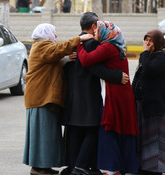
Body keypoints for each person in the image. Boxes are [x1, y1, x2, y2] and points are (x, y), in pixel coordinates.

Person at [60, 12, 128, 175]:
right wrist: (117, 76)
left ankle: (73, 166)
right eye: (98, 25)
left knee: (75, 130)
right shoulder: (90, 43)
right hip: (88, 96)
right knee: (93, 130)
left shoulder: (75, 41)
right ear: (92, 26)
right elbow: (93, 66)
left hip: (73, 96)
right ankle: (81, 166)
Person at [23, 23, 93, 175]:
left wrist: (66, 59)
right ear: (46, 34)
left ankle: (43, 166)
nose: (55, 36)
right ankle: (39, 168)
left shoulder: (41, 48)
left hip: (42, 97)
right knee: (43, 135)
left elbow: (51, 61)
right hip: (41, 98)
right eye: (53, 33)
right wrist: (79, 39)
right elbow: (57, 49)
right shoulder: (42, 46)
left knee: (45, 135)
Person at [77, 21, 139, 175]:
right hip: (122, 93)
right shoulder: (117, 45)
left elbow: (86, 60)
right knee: (122, 130)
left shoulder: (107, 47)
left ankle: (112, 169)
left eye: (98, 31)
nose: (95, 34)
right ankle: (125, 167)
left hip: (114, 94)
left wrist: (79, 44)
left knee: (109, 129)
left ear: (106, 33)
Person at [132, 29, 165, 175]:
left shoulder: (162, 56)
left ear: (157, 42)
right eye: (145, 40)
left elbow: (148, 70)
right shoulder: (151, 55)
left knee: (156, 137)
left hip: (156, 105)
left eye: (150, 40)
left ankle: (156, 168)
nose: (147, 43)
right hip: (146, 103)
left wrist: (145, 53)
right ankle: (145, 166)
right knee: (145, 137)